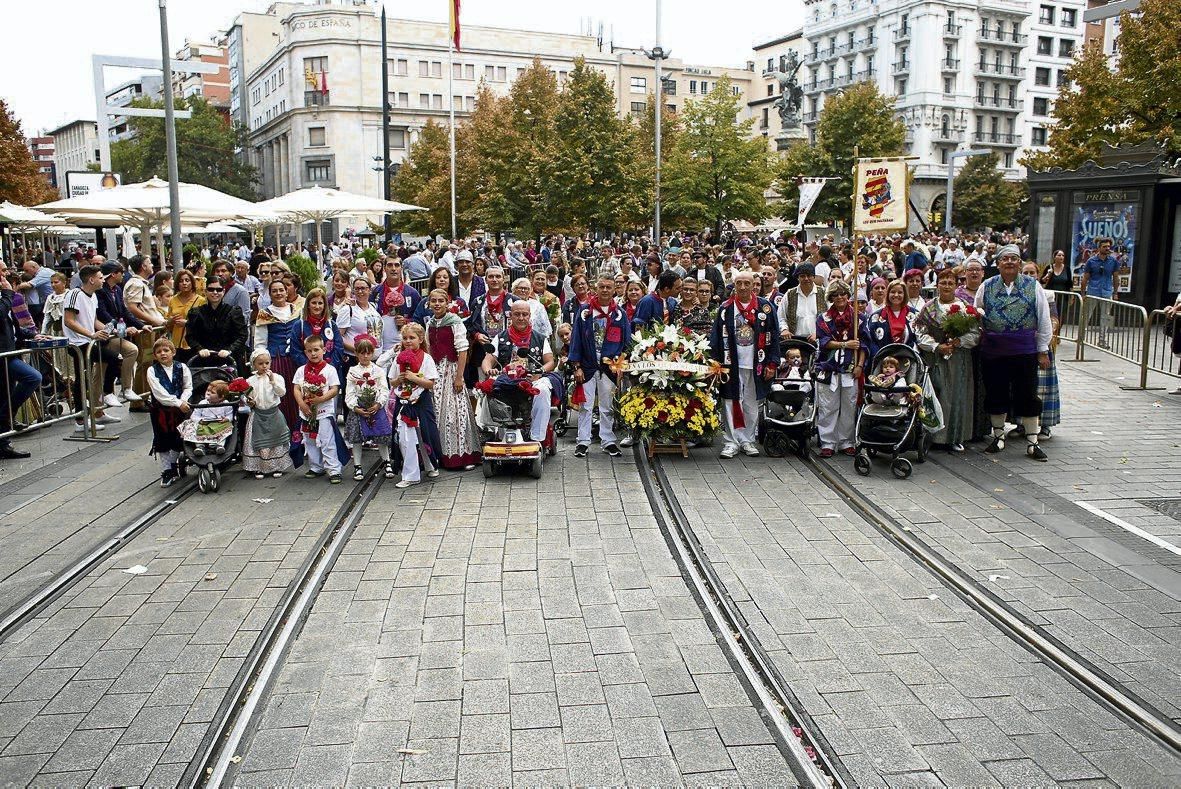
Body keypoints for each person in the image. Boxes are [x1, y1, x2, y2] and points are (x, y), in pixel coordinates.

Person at [975, 244, 1053, 461]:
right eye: (1005, 259)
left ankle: (1032, 442)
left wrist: (1042, 349)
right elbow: (977, 311)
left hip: (1023, 350)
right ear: (998, 263)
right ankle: (998, 437)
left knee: (1027, 393)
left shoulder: (1032, 285)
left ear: (1020, 263)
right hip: (994, 350)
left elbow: (1044, 318)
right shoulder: (987, 286)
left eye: (1014, 259)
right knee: (996, 392)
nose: (1009, 262)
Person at [709, 270, 781, 459]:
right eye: (738, 283)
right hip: (730, 362)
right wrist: (715, 362)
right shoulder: (725, 308)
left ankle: (748, 440)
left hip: (757, 361)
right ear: (734, 285)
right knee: (730, 401)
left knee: (751, 402)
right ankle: (731, 441)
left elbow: (774, 336)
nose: (742, 287)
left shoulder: (765, 307)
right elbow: (715, 337)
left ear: (753, 285)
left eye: (746, 283)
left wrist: (772, 363)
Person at [915, 267, 980, 451]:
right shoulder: (928, 308)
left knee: (958, 397)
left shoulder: (964, 308)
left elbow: (975, 334)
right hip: (935, 358)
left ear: (956, 285)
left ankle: (955, 436)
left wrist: (959, 341)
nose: (946, 286)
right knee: (936, 394)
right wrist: (936, 346)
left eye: (950, 282)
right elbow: (919, 332)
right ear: (937, 285)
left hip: (959, 360)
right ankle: (932, 437)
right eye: (943, 282)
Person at [568, 274, 631, 458]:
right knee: (585, 405)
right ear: (595, 289)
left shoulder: (620, 314)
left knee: (607, 405)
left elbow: (626, 342)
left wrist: (621, 365)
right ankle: (583, 441)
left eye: (608, 287)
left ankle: (608, 439)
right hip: (587, 366)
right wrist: (576, 366)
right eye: (601, 287)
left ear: (614, 290)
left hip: (609, 368)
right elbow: (576, 340)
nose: (604, 290)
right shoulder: (585, 311)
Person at [480, 301, 557, 444]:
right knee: (487, 388)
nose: (521, 318)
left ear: (529, 316)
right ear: (510, 316)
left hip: (533, 377)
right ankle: (489, 430)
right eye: (517, 314)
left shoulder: (539, 338)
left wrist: (541, 371)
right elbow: (488, 360)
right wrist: (488, 370)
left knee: (542, 391)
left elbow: (550, 362)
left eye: (524, 314)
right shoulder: (500, 337)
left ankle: (537, 438)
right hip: (507, 378)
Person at [424, 289, 481, 470]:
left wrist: (459, 377)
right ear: (429, 303)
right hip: (436, 371)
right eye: (434, 301)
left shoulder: (455, 322)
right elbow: (428, 348)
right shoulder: (430, 323)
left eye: (441, 301)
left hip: (452, 369)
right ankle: (442, 455)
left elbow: (462, 351)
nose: (437, 304)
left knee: (455, 413)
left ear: (447, 303)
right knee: (437, 412)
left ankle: (463, 455)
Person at [62, 264, 121, 433]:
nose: (103, 280)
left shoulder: (93, 296)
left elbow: (93, 320)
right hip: (77, 343)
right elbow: (69, 320)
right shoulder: (74, 294)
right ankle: (82, 417)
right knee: (84, 378)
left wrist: (109, 330)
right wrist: (91, 334)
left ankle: (100, 404)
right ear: (91, 279)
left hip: (88, 341)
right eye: (101, 277)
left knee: (88, 376)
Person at [814, 280, 864, 457]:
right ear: (831, 298)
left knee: (849, 406)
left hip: (850, 369)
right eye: (835, 295)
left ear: (848, 295)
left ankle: (846, 441)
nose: (840, 297)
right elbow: (824, 342)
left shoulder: (858, 317)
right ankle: (828, 441)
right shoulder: (824, 318)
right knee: (828, 406)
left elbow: (863, 345)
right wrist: (845, 344)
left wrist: (859, 366)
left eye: (843, 294)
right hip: (830, 368)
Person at [389, 323, 442, 488]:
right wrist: (400, 379)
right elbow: (392, 380)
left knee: (424, 435)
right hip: (404, 403)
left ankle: (430, 464)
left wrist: (414, 378)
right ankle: (411, 474)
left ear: (420, 339)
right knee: (406, 438)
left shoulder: (426, 358)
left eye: (412, 338)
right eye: (405, 338)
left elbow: (430, 383)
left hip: (421, 402)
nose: (408, 341)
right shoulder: (399, 359)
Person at [0, 261, 40, 458]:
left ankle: (5, 429)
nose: (6, 274)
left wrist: (30, 335)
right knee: (32, 377)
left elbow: (11, 325)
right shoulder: (6, 296)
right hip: (3, 354)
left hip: (10, 351)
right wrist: (8, 294)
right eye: (2, 270)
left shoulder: (6, 296)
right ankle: (5, 420)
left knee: (9, 390)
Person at [293, 334, 345, 484]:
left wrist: (320, 399)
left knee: (327, 440)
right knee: (309, 440)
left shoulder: (330, 370)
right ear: (305, 353)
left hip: (324, 411)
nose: (313, 353)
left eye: (316, 350)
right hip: (307, 412)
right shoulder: (301, 370)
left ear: (324, 350)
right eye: (309, 351)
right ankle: (316, 466)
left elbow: (334, 389)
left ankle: (334, 469)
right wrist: (302, 404)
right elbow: (296, 388)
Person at [343, 336, 394, 480]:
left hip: (375, 407)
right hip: (359, 408)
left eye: (368, 353)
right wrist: (354, 407)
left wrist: (378, 403)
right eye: (362, 353)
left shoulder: (378, 370)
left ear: (372, 353)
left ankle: (387, 461)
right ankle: (357, 466)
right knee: (357, 438)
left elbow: (384, 389)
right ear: (357, 354)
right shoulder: (353, 371)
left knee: (381, 436)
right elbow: (350, 392)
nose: (365, 356)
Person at [94, 261, 144, 406]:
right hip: (103, 334)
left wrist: (142, 325)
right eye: (121, 272)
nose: (124, 275)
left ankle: (125, 388)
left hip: (113, 333)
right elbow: (102, 314)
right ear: (113, 274)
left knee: (104, 368)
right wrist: (122, 329)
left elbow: (124, 312)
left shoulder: (117, 289)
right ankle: (98, 407)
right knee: (100, 371)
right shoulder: (100, 291)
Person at [145, 337, 192, 487]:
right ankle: (166, 470)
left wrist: (183, 400)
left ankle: (173, 464)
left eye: (166, 350)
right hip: (161, 411)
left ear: (173, 352)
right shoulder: (152, 370)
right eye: (159, 352)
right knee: (162, 439)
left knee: (178, 438)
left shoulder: (182, 367)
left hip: (179, 411)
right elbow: (159, 393)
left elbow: (187, 386)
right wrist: (177, 403)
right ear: (155, 355)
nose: (163, 354)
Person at [241, 348, 294, 479]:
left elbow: (281, 393)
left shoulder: (277, 377)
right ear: (254, 365)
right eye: (260, 363)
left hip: (274, 413)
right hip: (258, 414)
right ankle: (259, 467)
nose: (264, 366)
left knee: (276, 441)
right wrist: (249, 401)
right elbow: (246, 396)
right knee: (259, 441)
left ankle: (277, 466)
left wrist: (273, 381)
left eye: (267, 363)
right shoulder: (250, 381)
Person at [185, 277, 250, 377]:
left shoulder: (233, 311)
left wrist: (230, 349)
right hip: (204, 361)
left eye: (219, 289)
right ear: (206, 291)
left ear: (223, 291)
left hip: (229, 360)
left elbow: (242, 335)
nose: (215, 292)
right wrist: (199, 349)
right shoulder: (196, 312)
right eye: (211, 289)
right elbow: (190, 336)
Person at [373, 257, 422, 354]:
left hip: (405, 347)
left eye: (397, 265)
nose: (393, 268)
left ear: (401, 268)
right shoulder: (375, 292)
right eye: (390, 265)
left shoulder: (412, 293)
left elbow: (419, 320)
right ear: (384, 268)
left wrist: (407, 321)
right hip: (380, 348)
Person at [864, 279, 920, 362]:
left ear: (905, 294)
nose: (896, 295)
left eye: (900, 292)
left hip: (909, 360)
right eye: (893, 292)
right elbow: (871, 340)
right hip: (883, 361)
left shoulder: (915, 315)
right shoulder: (876, 317)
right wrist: (880, 357)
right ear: (887, 294)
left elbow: (919, 339)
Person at [1080, 236, 1120, 348]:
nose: (1107, 248)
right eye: (1104, 246)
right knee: (1086, 315)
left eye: (1108, 246)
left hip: (1107, 292)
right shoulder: (1091, 261)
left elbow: (1116, 278)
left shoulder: (1113, 261)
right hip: (1093, 291)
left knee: (1105, 317)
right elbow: (1085, 278)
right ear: (1099, 248)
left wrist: (1115, 292)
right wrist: (1083, 294)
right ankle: (1081, 337)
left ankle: (1102, 340)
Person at [178, 379, 234, 456]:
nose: (208, 393)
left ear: (221, 397)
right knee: (193, 427)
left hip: (218, 424)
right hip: (204, 424)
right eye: (208, 390)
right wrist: (200, 420)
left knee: (227, 427)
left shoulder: (226, 404)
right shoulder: (202, 403)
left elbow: (230, 415)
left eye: (212, 392)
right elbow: (194, 415)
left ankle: (219, 445)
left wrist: (226, 419)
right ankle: (200, 446)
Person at [777, 263, 823, 344]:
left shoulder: (823, 293)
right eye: (802, 276)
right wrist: (784, 329)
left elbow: (830, 318)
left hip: (819, 341)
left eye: (809, 275)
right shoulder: (790, 294)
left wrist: (819, 333)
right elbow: (781, 317)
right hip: (795, 341)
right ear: (797, 278)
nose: (806, 278)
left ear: (814, 276)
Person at [165, 269, 205, 364]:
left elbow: (205, 323)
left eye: (187, 280)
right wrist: (170, 321)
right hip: (176, 345)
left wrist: (187, 323)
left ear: (192, 282)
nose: (184, 283)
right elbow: (168, 324)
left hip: (194, 344)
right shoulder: (172, 300)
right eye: (181, 281)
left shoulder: (201, 301)